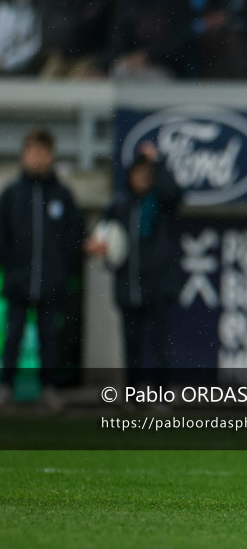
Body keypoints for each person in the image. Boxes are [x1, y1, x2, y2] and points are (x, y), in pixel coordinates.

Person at [0, 128, 83, 403]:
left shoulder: (62, 194)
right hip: (18, 281)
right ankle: (6, 386)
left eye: (43, 153)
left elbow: (74, 237)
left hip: (51, 282)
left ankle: (49, 388)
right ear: (24, 155)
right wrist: (11, 268)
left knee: (50, 337)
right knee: (13, 335)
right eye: (32, 152)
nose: (37, 158)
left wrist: (61, 271)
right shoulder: (11, 194)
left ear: (51, 156)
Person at [85, 141, 183, 374]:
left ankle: (161, 395)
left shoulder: (160, 204)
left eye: (147, 173)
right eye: (138, 173)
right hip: (128, 288)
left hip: (157, 288)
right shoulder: (119, 205)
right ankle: (132, 395)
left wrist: (156, 162)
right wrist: (96, 247)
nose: (141, 178)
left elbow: (174, 193)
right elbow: (102, 236)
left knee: (159, 344)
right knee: (131, 345)